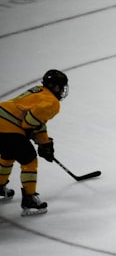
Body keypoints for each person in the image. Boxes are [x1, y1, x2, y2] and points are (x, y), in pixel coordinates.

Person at [0, 69, 68, 216]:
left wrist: (44, 142)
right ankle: (29, 201)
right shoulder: (52, 102)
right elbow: (28, 123)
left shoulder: (39, 91)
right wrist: (44, 145)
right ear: (56, 87)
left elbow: (35, 122)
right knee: (29, 160)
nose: (62, 90)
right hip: (7, 128)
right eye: (61, 87)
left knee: (8, 154)